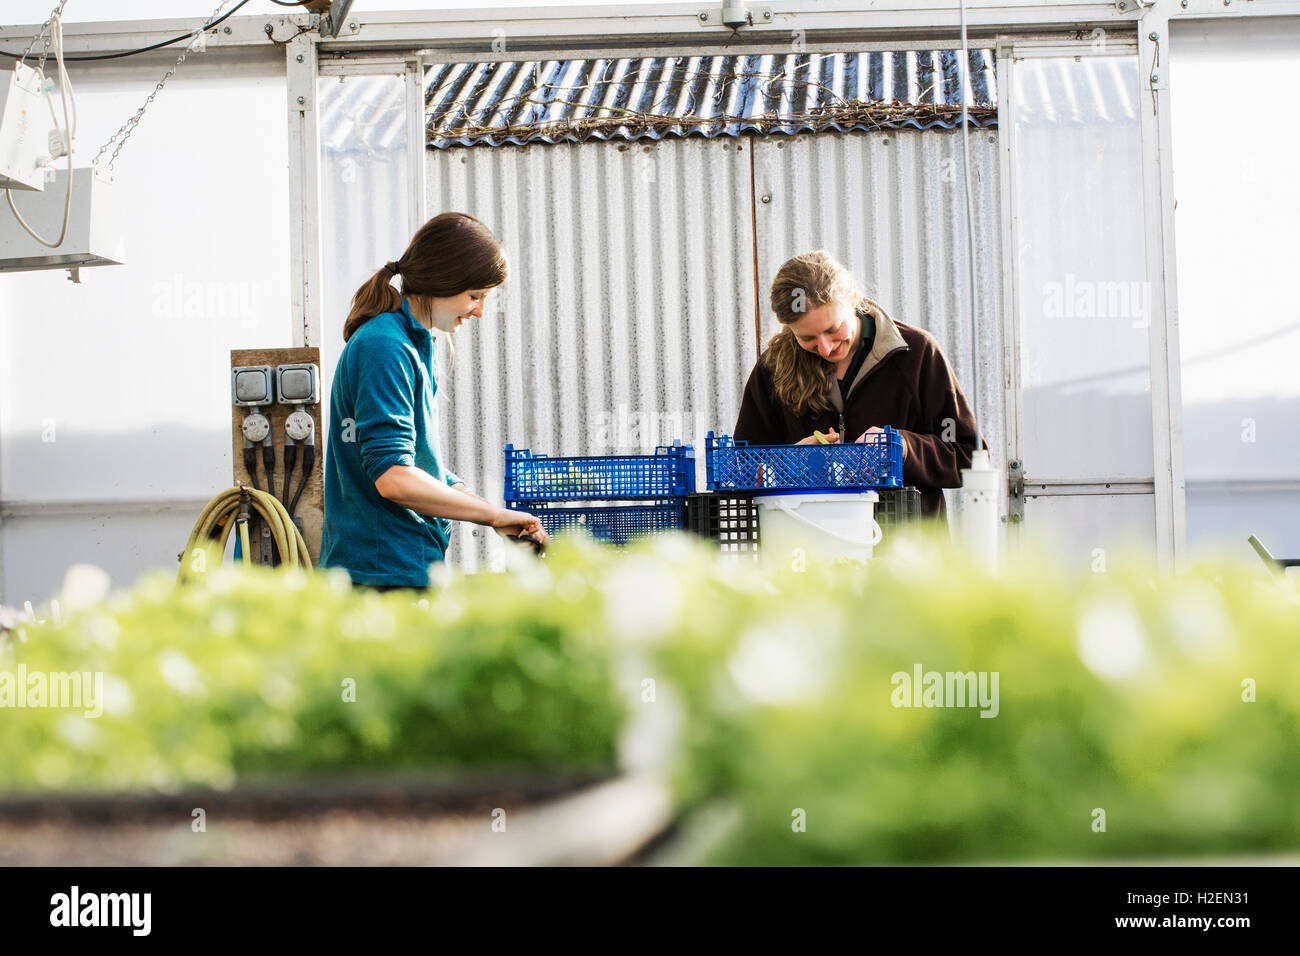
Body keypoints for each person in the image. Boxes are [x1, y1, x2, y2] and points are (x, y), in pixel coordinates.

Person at [319, 212, 546, 590]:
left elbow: (419, 463)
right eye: (475, 296)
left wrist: (494, 512)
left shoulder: (416, 343)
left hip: (402, 566)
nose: (480, 310)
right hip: (380, 575)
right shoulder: (384, 346)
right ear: (444, 279)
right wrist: (489, 515)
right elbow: (394, 478)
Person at [734, 250, 979, 518]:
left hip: (907, 551)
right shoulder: (773, 368)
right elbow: (742, 469)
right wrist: (793, 463)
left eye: (833, 329)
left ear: (852, 297)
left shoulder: (917, 353)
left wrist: (902, 447)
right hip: (810, 546)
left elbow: (966, 456)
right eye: (807, 338)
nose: (825, 348)